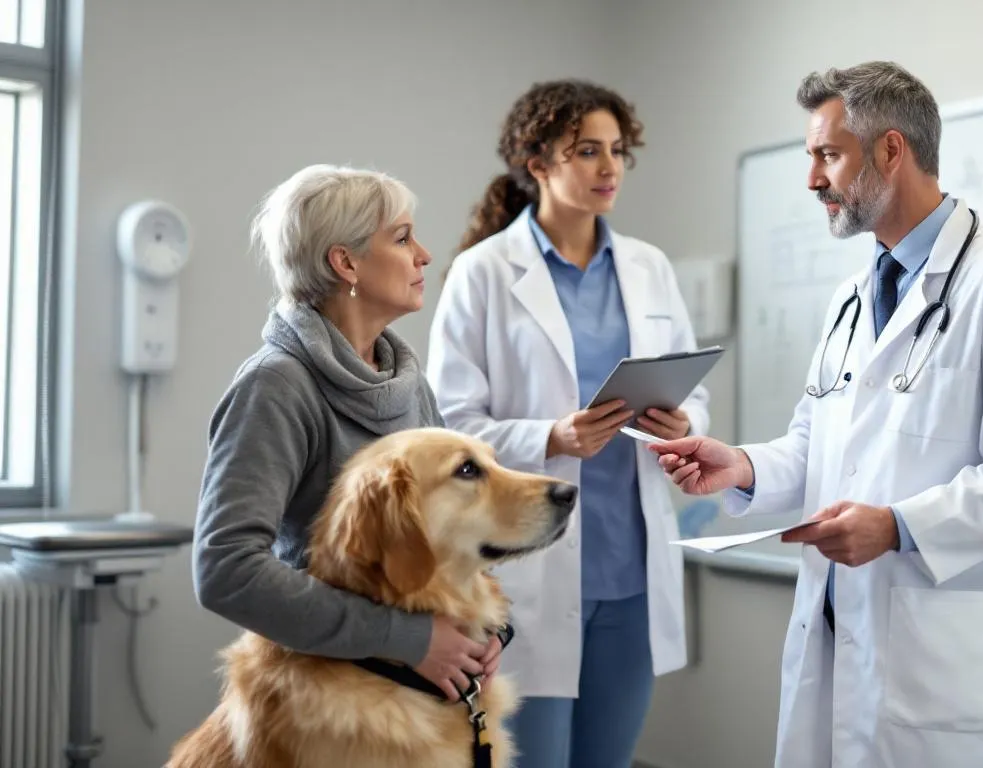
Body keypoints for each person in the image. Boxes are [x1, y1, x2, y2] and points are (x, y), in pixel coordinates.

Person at [650, 61, 983, 768]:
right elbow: (818, 443)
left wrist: (899, 527)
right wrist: (744, 466)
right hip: (839, 633)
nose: (813, 179)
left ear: (889, 150)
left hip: (942, 665)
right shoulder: (852, 298)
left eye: (828, 155)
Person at [426, 79, 709, 768]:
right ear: (539, 162)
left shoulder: (648, 268)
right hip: (528, 575)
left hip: (632, 574)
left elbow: (694, 395)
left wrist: (683, 420)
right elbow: (448, 429)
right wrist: (550, 438)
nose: (609, 167)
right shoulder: (482, 273)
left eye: (617, 151)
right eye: (587, 151)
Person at [193, 164, 500, 704]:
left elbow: (458, 528)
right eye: (403, 238)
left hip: (418, 698)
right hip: (324, 701)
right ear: (345, 261)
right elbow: (227, 568)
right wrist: (407, 638)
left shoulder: (409, 385)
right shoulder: (275, 386)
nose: (424, 255)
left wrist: (488, 626)